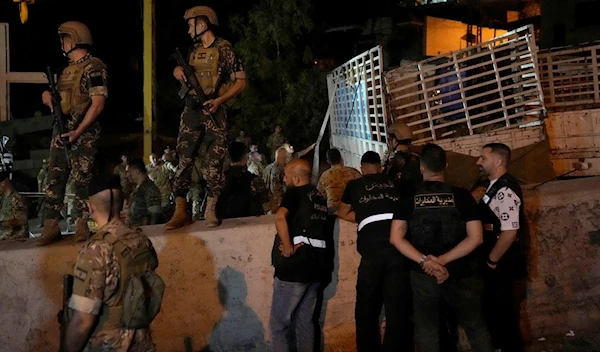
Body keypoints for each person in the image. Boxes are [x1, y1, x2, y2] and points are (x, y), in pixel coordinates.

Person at [390, 143, 494, 352]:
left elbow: (396, 238)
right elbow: (476, 238)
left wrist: (426, 262)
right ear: (445, 165)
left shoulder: (408, 199)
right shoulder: (462, 196)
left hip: (423, 275)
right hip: (462, 272)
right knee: (476, 327)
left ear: (421, 167)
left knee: (427, 331)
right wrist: (443, 261)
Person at [166, 6, 247, 230]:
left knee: (215, 162)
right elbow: (184, 74)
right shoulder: (192, 51)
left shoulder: (225, 49)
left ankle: (210, 208)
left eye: (190, 24)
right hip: (191, 110)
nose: (188, 29)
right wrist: (177, 72)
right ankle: (180, 209)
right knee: (183, 160)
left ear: (202, 24)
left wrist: (220, 101)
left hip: (215, 109)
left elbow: (241, 81)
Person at [64, 174, 163, 352]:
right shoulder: (141, 240)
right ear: (123, 203)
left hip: (108, 345)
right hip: (142, 344)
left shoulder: (95, 250)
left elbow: (82, 321)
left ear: (89, 207)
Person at [36, 21, 108, 246]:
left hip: (83, 133)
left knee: (82, 180)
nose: (62, 43)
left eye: (64, 38)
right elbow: (60, 100)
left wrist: (78, 131)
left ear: (73, 40)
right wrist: (47, 97)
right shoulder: (67, 70)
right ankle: (50, 224)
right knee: (54, 177)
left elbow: (97, 103)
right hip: (62, 130)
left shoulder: (94, 67)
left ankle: (82, 223)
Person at [338, 151, 412, 352]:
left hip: (371, 254)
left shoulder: (354, 185)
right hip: (398, 252)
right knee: (396, 309)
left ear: (362, 169)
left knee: (366, 309)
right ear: (380, 167)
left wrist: (364, 216)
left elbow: (342, 212)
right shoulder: (396, 183)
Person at [269, 159, 332, 352]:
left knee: (279, 326)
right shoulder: (319, 196)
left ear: (296, 178)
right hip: (318, 267)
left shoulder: (294, 192)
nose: (284, 179)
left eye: (286, 176)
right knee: (305, 323)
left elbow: (280, 217)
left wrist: (287, 247)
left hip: (295, 268)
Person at [476, 143, 526, 352]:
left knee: (503, 313)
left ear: (497, 161)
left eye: (483, 158)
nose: (478, 162)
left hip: (501, 262)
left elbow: (509, 231)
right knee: (496, 312)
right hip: (497, 261)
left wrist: (491, 261)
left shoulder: (505, 189)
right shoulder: (495, 186)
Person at [216, 142, 270, 219]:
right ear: (245, 157)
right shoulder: (253, 179)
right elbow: (266, 205)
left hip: (224, 222)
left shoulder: (219, 180)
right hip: (250, 222)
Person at [317, 148, 361, 214]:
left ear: (328, 161)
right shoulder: (353, 172)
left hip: (333, 210)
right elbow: (361, 187)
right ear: (341, 158)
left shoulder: (325, 175)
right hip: (351, 208)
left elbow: (320, 195)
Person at [384, 121, 422, 190]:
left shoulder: (393, 162)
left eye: (390, 139)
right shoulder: (418, 158)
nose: (388, 142)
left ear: (395, 141)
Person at [127, 158, 163, 226]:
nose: (127, 175)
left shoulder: (150, 188)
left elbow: (155, 215)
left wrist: (151, 233)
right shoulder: (138, 188)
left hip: (145, 232)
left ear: (136, 172)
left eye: (129, 172)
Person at [0, 171, 28, 240]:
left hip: (16, 238)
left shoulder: (16, 198)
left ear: (3, 183)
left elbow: (22, 220)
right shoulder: (4, 198)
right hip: (7, 238)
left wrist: (2, 223)